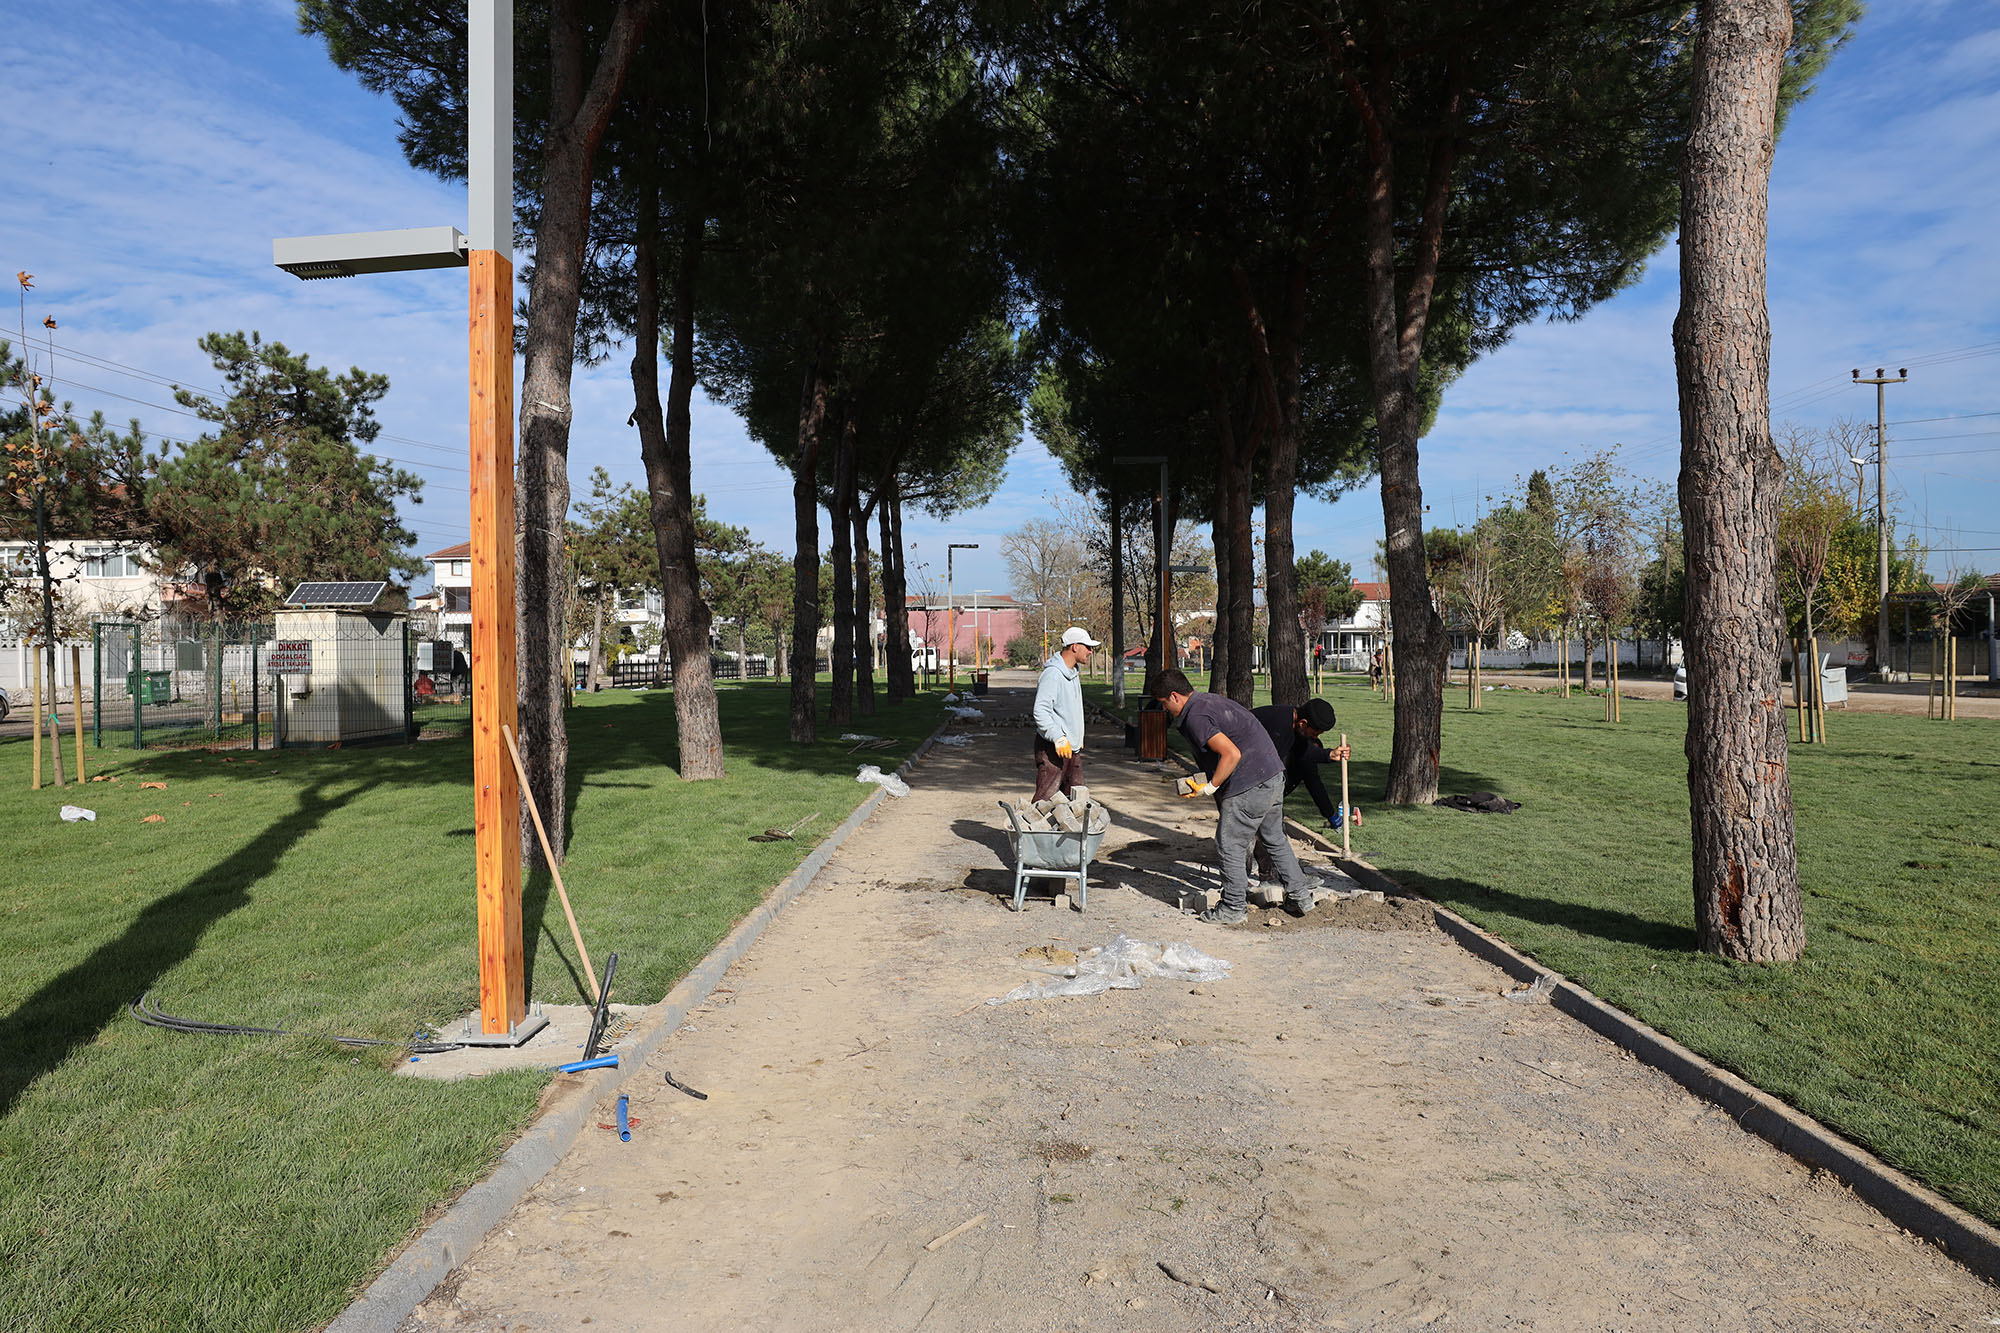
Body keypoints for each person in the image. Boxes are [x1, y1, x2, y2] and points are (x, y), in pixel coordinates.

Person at [1148, 668, 1315, 923]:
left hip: (1250, 782)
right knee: (1275, 839)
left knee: (1230, 844)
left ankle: (1233, 908)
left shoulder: (1196, 716)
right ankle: (1301, 897)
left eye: (1163, 703)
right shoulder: (1208, 701)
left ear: (1174, 696)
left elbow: (1231, 754)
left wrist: (1211, 786)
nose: (1164, 709)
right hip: (1272, 775)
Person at [1032, 626, 1099, 801]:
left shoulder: (1073, 673)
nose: (1090, 651)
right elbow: (1041, 711)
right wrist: (1058, 737)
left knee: (1077, 801)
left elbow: (1069, 709)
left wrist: (1077, 735)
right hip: (1053, 748)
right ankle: (1034, 821)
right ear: (1075, 646)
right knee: (1045, 802)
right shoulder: (1053, 674)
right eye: (1087, 647)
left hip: (1071, 749)